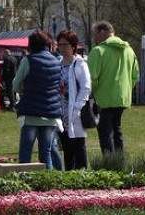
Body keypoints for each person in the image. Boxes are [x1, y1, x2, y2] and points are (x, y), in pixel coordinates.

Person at [87, 21, 140, 154]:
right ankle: (119, 160)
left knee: (105, 132)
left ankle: (109, 163)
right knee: (117, 128)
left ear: (103, 31)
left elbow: (91, 78)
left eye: (96, 34)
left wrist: (92, 93)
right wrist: (126, 88)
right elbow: (135, 75)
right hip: (122, 97)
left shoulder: (98, 51)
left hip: (104, 98)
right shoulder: (129, 50)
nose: (95, 38)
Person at [13, 30, 62, 168]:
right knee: (46, 153)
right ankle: (48, 184)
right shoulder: (57, 61)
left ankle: (24, 182)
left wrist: (25, 88)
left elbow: (15, 85)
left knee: (26, 151)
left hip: (31, 112)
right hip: (51, 113)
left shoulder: (28, 60)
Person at [56, 30, 91, 170]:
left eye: (65, 44)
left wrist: (77, 107)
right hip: (61, 111)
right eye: (60, 44)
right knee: (66, 146)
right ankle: (69, 174)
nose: (62, 48)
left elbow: (86, 88)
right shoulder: (58, 63)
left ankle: (82, 174)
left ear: (73, 46)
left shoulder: (79, 64)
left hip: (75, 111)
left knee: (78, 144)